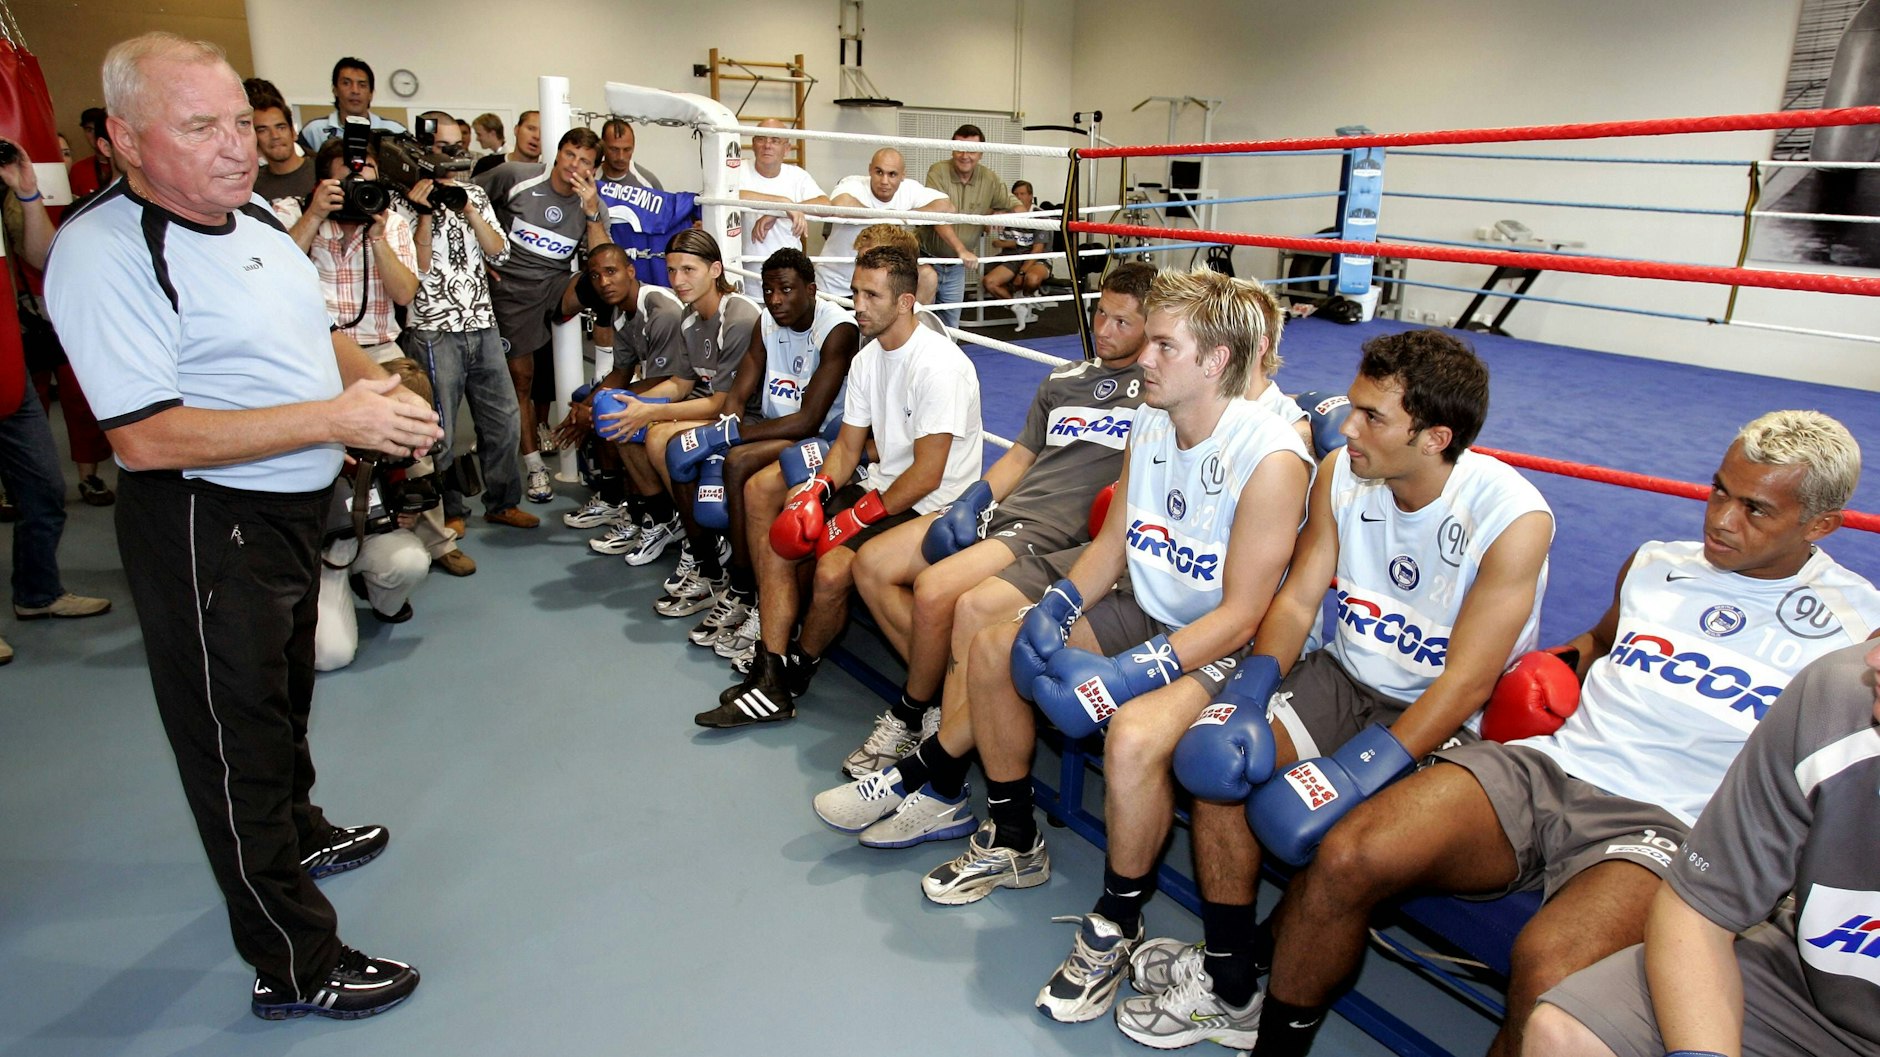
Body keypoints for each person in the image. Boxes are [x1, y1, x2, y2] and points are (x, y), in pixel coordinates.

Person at [1197, 410, 1880, 1057]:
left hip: (1668, 824)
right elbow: (1597, 642)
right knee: (1348, 851)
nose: (1721, 519)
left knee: (1551, 967)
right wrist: (1550, 671)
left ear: (1820, 523)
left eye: (1754, 508)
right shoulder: (1656, 562)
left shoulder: (1857, 632)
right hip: (1544, 770)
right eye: (1718, 491)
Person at [44, 32, 438, 1019]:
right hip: (202, 518)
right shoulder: (103, 250)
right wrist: (337, 421)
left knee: (284, 692)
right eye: (201, 126)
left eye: (240, 122)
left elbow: (324, 334)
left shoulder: (257, 220)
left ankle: (296, 828)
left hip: (292, 508)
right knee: (233, 737)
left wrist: (378, 388)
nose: (236, 146)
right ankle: (293, 958)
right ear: (127, 140)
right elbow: (141, 437)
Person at [892, 270, 1311, 1030]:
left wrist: (1133, 673)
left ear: (1214, 362)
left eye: (1162, 344)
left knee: (1133, 736)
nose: (1142, 358)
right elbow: (1115, 539)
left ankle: (1118, 919)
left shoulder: (1272, 455)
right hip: (1142, 605)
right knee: (995, 646)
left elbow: (1247, 612)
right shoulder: (1153, 419)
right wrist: (1056, 604)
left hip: (1219, 638)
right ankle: (1016, 837)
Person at [1113, 329, 1555, 1049]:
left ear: (1435, 436)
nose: (1346, 426)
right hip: (1345, 676)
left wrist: (1358, 771)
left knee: (1345, 848)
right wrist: (1251, 690)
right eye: (1352, 407)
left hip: (1437, 714)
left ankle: (1275, 1000)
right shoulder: (1342, 474)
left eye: (1372, 417)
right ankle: (1230, 981)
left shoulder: (1511, 517)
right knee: (1220, 760)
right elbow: (1296, 599)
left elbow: (1468, 679)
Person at [825, 262, 1158, 786]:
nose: (1104, 330)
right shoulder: (1063, 379)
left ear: (1150, 327)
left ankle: (913, 716)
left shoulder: (1156, 397)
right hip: (1010, 511)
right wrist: (975, 498)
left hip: (1054, 534)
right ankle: (947, 698)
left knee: (938, 592)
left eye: (1122, 322)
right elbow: (1021, 456)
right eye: (1100, 314)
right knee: (871, 563)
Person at [1527, 636, 1880, 1057]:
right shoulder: (1839, 695)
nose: (1873, 657)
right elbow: (1697, 913)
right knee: (1567, 1033)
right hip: (1820, 988)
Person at [698, 244, 981, 728]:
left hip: (931, 505)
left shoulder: (939, 365)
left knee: (832, 572)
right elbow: (848, 447)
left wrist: (858, 514)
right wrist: (820, 490)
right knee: (786, 522)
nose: (859, 306)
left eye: (872, 295)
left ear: (906, 301)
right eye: (855, 292)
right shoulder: (869, 359)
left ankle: (797, 669)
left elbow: (928, 472)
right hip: (884, 489)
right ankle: (771, 671)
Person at [665, 247, 858, 645]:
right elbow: (740, 389)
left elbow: (808, 419)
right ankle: (708, 565)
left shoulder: (837, 328)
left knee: (736, 462)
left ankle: (742, 586)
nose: (775, 300)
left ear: (810, 288)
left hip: (815, 436)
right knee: (686, 449)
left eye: (786, 290)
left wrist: (726, 437)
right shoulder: (766, 322)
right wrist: (724, 424)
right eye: (768, 291)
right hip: (769, 426)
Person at [0, 139, 111, 668]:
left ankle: (37, 592)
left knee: (44, 487)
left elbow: (39, 256)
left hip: (7, 363)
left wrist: (24, 194)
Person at [397, 113, 537, 534]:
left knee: (505, 421)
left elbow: (500, 254)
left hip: (483, 323)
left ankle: (502, 502)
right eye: (444, 149)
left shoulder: (474, 192)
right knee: (439, 430)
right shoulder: (400, 201)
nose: (453, 159)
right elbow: (412, 271)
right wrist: (424, 212)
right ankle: (449, 512)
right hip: (433, 328)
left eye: (459, 149)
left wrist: (470, 211)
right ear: (422, 151)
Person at [612, 228, 762, 572]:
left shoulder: (737, 318)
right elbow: (680, 383)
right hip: (709, 403)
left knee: (660, 436)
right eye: (671, 271)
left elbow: (723, 404)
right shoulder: (688, 315)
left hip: (744, 416)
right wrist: (633, 404)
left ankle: (707, 538)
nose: (678, 280)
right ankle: (673, 520)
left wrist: (649, 411)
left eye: (688, 270)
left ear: (715, 270)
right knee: (623, 420)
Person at [474, 126, 609, 503]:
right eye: (569, 154)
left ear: (592, 170)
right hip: (511, 292)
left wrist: (592, 213)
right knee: (523, 380)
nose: (574, 165)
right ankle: (534, 466)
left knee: (605, 283)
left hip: (553, 286)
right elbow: (466, 200)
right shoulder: (515, 177)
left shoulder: (591, 202)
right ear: (558, 153)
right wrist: (478, 259)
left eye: (584, 161)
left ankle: (605, 372)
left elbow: (603, 261)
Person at [551, 243, 688, 543]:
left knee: (607, 409)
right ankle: (615, 501)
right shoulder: (620, 314)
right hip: (661, 388)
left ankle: (654, 516)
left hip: (688, 395)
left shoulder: (659, 310)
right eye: (596, 276)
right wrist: (582, 408)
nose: (604, 282)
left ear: (630, 271)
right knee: (593, 401)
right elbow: (621, 373)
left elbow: (670, 379)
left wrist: (597, 406)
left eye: (611, 272)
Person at [814, 149, 954, 302]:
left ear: (902, 176)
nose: (884, 181)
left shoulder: (909, 189)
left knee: (927, 276)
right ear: (870, 170)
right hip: (836, 284)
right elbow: (840, 205)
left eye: (892, 174)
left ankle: (912, 324)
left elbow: (947, 207)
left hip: (878, 288)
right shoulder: (853, 183)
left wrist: (905, 215)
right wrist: (886, 215)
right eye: (879, 172)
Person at [920, 124, 1019, 327]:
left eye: (972, 150)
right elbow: (937, 217)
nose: (965, 156)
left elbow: (1020, 208)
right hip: (926, 260)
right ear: (952, 149)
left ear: (981, 153)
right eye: (960, 149)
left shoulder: (989, 179)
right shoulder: (938, 171)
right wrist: (961, 250)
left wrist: (1001, 213)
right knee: (920, 323)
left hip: (957, 268)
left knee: (951, 328)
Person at [594, 118, 698, 288]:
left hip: (640, 265)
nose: (621, 156)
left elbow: (663, 221)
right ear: (603, 146)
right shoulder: (591, 178)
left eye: (627, 149)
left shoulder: (647, 181)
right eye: (614, 149)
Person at [737, 118, 828, 265]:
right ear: (753, 144)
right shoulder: (738, 170)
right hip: (746, 271)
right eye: (761, 139)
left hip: (788, 271)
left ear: (787, 148)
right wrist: (782, 203)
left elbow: (825, 205)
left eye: (775, 140)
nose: (767, 145)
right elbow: (733, 195)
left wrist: (778, 212)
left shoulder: (797, 175)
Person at [981, 179, 1051, 330]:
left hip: (1037, 259)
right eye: (1016, 194)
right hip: (1013, 257)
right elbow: (1017, 241)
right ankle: (1017, 305)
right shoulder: (1009, 212)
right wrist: (990, 215)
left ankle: (1028, 292)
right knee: (988, 281)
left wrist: (1021, 272)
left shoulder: (1040, 215)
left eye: (1023, 194)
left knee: (1031, 279)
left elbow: (1037, 250)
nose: (1019, 197)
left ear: (1030, 196)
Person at [297, 57, 407, 153]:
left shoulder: (396, 132)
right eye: (346, 83)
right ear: (335, 90)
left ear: (371, 93)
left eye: (362, 85)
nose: (355, 91)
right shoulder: (314, 131)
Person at [244, 78, 314, 202]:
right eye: (263, 130)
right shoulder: (250, 186)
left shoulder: (324, 171)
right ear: (254, 139)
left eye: (281, 127)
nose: (275, 136)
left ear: (293, 132)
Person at [67, 107, 116, 203]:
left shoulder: (127, 167)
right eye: (89, 130)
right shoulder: (78, 170)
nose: (95, 134)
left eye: (99, 129)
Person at [472, 110, 539, 177]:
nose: (537, 136)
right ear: (516, 130)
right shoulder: (485, 165)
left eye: (479, 134)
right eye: (531, 129)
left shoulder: (548, 172)